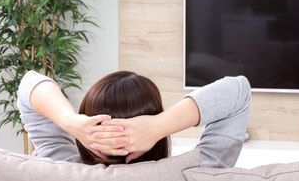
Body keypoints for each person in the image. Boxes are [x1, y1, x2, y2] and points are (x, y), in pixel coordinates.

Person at [17, 70, 251, 168]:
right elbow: (238, 92)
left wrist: (72, 122)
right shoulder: (193, 177)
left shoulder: (57, 168)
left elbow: (29, 84)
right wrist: (159, 125)